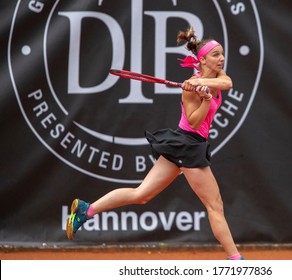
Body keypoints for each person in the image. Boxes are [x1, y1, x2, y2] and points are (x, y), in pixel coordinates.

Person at [66, 26, 243, 260]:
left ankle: (87, 210)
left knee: (142, 195)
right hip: (187, 145)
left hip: (185, 145)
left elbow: (228, 83)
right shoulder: (191, 86)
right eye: (216, 55)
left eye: (222, 53)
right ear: (201, 60)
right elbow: (193, 121)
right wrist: (203, 100)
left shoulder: (217, 77)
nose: (222, 58)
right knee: (215, 205)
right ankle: (235, 261)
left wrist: (206, 88)